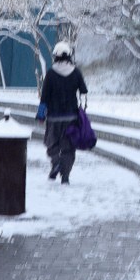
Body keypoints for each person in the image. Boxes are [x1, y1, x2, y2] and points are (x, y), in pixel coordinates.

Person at [36, 41, 88, 185]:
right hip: (71, 117)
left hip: (53, 117)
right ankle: (65, 175)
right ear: (69, 56)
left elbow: (44, 97)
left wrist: (41, 115)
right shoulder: (76, 72)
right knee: (69, 147)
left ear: (55, 57)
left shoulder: (51, 74)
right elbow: (83, 90)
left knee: (52, 144)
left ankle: (56, 162)